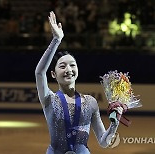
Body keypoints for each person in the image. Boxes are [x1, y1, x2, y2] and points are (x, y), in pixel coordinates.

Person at [35, 11, 125, 154]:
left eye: (72, 65)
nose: (68, 69)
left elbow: (103, 142)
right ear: (53, 74)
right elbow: (39, 73)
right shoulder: (49, 99)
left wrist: (114, 124)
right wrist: (56, 40)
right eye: (62, 66)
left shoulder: (91, 103)